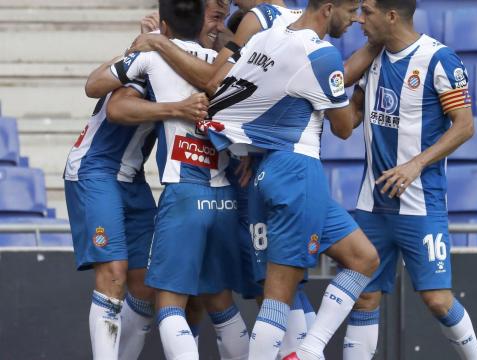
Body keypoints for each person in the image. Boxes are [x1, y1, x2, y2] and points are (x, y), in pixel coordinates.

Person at [201, 1, 380, 359]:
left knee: (364, 258)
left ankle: (309, 350)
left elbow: (228, 97)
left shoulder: (266, 38)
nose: (356, 19)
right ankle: (307, 352)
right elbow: (343, 127)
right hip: (298, 172)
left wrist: (251, 147)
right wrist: (362, 89)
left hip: (267, 170)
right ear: (329, 8)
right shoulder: (321, 54)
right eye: (351, 10)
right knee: (278, 295)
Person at [86, 1, 251, 359]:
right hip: (225, 197)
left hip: (185, 195)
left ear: (166, 22)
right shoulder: (232, 64)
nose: (217, 25)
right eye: (214, 17)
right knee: (219, 299)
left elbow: (98, 89)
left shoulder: (156, 56)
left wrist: (147, 45)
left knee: (170, 304)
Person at [338, 1, 477, 359]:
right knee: (365, 295)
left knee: (436, 300)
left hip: (421, 203)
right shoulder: (372, 57)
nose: (360, 19)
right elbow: (350, 120)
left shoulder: (439, 59)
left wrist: (415, 164)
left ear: (391, 15)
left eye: (367, 12)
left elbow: (464, 125)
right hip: (372, 205)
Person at [65, 13, 210, 360]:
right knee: (113, 275)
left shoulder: (188, 61)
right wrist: (176, 105)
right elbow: (111, 103)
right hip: (95, 169)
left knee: (145, 286)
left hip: (131, 178)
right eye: (214, 18)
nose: (218, 26)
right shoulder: (150, 61)